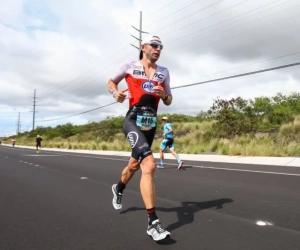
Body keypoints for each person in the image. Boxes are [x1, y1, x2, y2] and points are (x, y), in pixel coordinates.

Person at [107, 35, 172, 241]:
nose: (158, 49)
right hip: (133, 121)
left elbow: (169, 100)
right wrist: (115, 92)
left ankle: (119, 187)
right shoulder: (129, 65)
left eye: (160, 46)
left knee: (134, 166)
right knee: (150, 165)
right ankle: (153, 223)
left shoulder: (164, 72)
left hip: (150, 125)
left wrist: (163, 96)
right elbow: (111, 81)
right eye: (154, 45)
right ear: (143, 47)